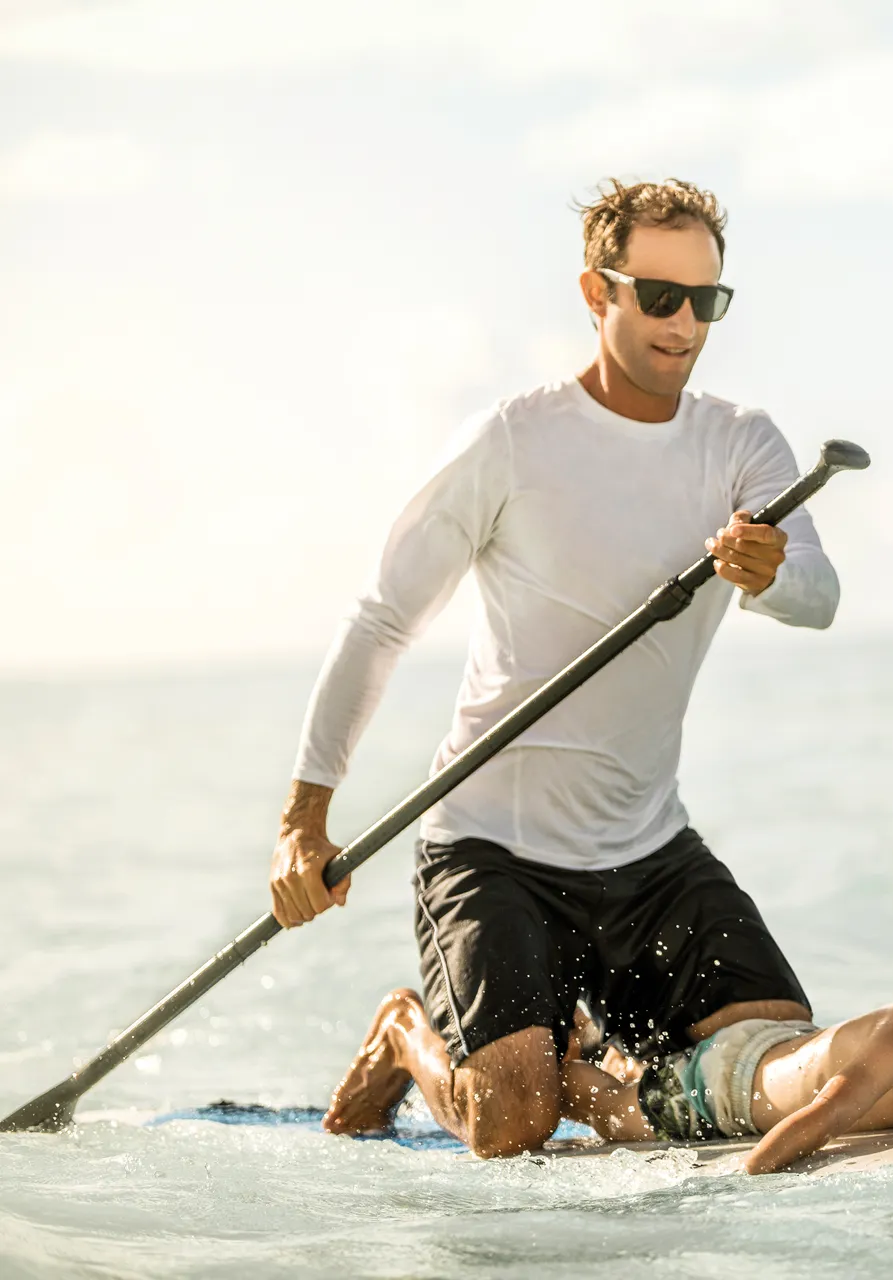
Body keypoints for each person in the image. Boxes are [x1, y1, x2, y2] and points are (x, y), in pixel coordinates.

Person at [275, 177, 841, 1158]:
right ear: (597, 293)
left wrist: (771, 568)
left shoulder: (741, 444)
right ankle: (410, 1031)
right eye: (658, 296)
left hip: (648, 850)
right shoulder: (513, 439)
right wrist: (303, 818)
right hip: (490, 851)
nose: (684, 323)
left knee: (783, 1073)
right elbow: (381, 617)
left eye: (706, 300)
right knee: (514, 1124)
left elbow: (820, 593)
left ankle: (582, 1049)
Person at [562, 849, 893, 1174]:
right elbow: (824, 1116)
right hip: (732, 1082)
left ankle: (620, 1058)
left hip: (794, 1045)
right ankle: (566, 1068)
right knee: (616, 1113)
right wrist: (750, 1181)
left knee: (648, 1080)